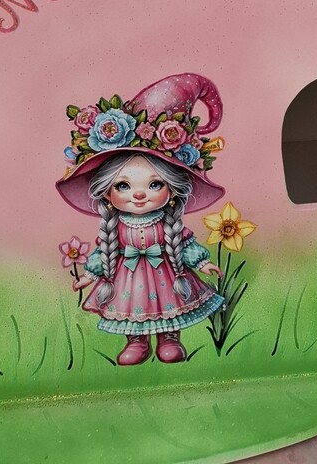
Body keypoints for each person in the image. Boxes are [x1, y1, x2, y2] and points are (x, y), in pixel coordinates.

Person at [57, 72, 226, 365]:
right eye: (123, 186)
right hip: (128, 278)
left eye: (154, 184)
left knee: (170, 306)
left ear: (172, 188)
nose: (138, 195)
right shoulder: (116, 226)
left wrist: (202, 262)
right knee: (131, 310)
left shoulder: (167, 222)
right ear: (106, 192)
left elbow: (185, 244)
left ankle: (169, 338)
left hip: (167, 274)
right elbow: (103, 250)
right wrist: (90, 274)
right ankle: (137, 342)